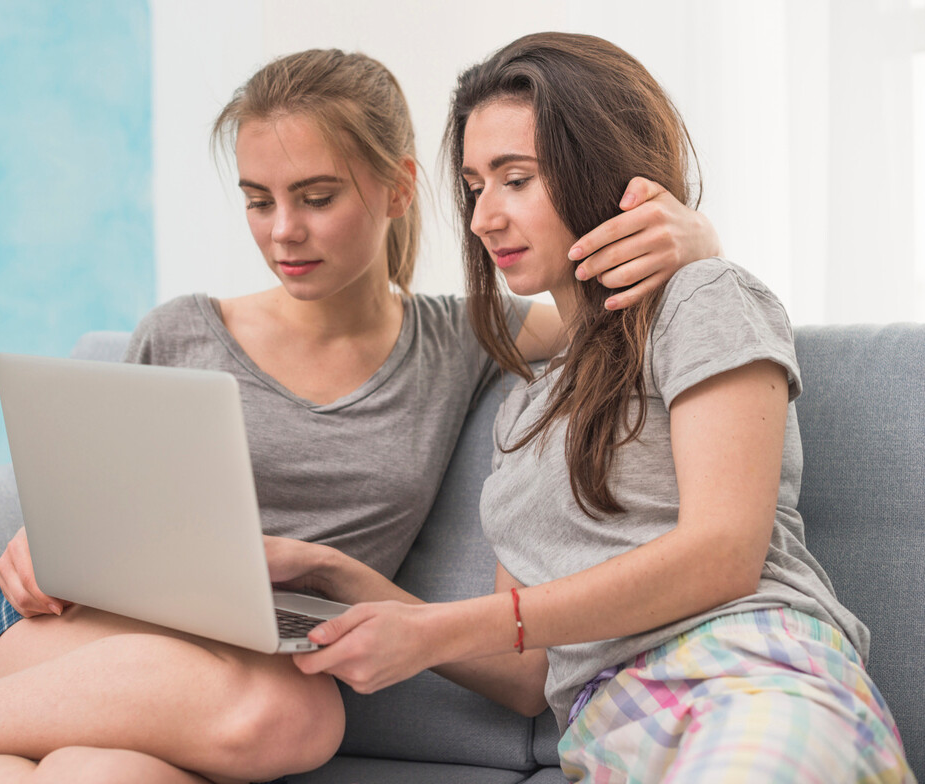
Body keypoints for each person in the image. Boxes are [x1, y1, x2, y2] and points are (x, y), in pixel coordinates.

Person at [0, 48, 722, 784]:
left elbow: (602, 308)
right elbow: (89, 512)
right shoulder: (180, 331)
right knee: (293, 718)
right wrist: (36, 542)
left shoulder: (465, 336)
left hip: (249, 670)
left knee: (108, 768)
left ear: (393, 187)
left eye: (314, 197)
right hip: (83, 641)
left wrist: (694, 242)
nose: (281, 233)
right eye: (258, 201)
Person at [274, 33, 915, 782]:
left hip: (747, 676)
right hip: (609, 735)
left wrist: (437, 628)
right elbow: (526, 676)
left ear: (597, 168)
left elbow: (723, 556)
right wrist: (336, 574)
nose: (482, 219)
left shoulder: (702, 297)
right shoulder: (523, 412)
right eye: (475, 186)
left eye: (515, 179)